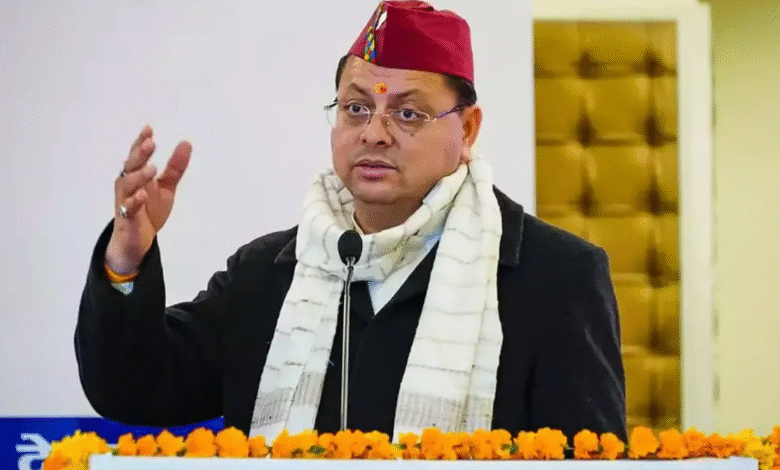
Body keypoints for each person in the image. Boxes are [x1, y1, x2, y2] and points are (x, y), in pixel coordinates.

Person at [76, 0, 626, 443]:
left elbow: (590, 457)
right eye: (356, 108)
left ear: (468, 130)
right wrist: (126, 257)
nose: (374, 133)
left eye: (407, 113)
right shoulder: (270, 274)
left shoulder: (554, 278)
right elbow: (133, 386)